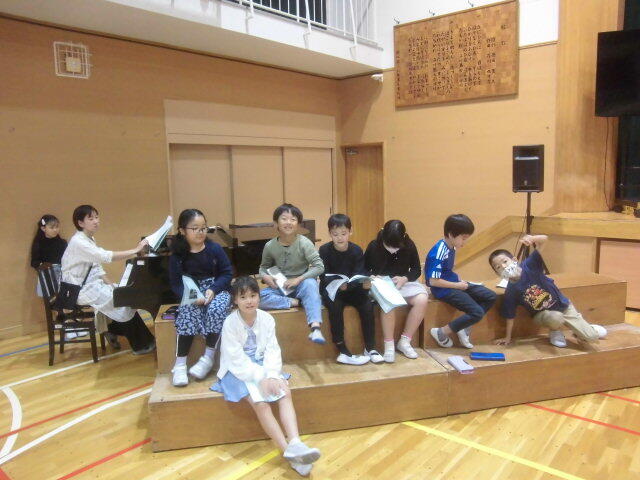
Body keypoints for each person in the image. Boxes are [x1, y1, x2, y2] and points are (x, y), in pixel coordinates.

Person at [212, 276, 321, 476]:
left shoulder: (267, 318)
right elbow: (235, 358)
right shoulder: (230, 323)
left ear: (259, 297)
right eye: (243, 297)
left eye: (253, 295)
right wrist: (260, 377)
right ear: (235, 300)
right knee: (260, 403)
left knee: (284, 392)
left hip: (264, 365)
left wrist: (271, 374)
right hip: (238, 370)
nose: (249, 301)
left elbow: (272, 350)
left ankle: (295, 443)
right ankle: (288, 453)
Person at [61, 205, 155, 354]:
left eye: (96, 217)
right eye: (90, 218)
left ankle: (111, 330)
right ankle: (141, 344)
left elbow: (96, 267)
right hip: (78, 290)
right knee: (121, 300)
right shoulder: (78, 242)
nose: (96, 221)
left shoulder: (89, 239)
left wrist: (111, 285)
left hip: (90, 285)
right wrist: (135, 250)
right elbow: (105, 257)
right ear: (80, 223)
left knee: (122, 294)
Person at [489, 234, 607, 347]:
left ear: (514, 260)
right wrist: (508, 337)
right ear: (497, 273)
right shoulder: (511, 290)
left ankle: (585, 330)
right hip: (543, 315)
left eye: (505, 261)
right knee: (556, 317)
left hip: (563, 306)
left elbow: (544, 239)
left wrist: (532, 238)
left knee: (592, 337)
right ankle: (555, 330)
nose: (503, 267)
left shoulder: (529, 265)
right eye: (498, 267)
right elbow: (510, 316)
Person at [168, 209, 232, 387]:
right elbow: (176, 284)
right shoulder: (177, 256)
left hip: (217, 289)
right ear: (182, 230)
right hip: (192, 292)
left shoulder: (214, 248)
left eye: (203, 228)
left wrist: (213, 289)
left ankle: (208, 358)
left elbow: (227, 273)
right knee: (187, 311)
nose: (200, 232)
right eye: (195, 228)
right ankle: (180, 365)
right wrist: (192, 296)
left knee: (217, 309)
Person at [319, 214, 382, 365]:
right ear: (329, 233)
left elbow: (359, 273)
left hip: (352, 289)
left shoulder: (356, 250)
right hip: (333, 290)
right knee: (335, 308)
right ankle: (342, 349)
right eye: (335, 234)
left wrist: (358, 284)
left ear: (350, 231)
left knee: (367, 306)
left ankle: (370, 347)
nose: (339, 238)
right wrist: (337, 284)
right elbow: (323, 274)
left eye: (343, 233)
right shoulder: (324, 250)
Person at [426, 214, 497, 349]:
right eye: (463, 238)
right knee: (477, 312)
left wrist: (458, 280)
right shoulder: (439, 252)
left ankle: (464, 327)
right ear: (451, 234)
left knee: (491, 296)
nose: (464, 242)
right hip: (443, 290)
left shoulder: (452, 247)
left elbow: (447, 270)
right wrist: (457, 285)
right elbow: (433, 281)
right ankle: (441, 332)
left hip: (454, 283)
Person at [259, 203, 326, 344]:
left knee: (311, 284)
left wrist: (299, 279)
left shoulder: (304, 243)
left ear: (298, 224)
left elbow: (319, 267)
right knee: (257, 298)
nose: (288, 222)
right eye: (284, 219)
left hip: (301, 284)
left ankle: (315, 328)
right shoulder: (270, 246)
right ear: (276, 223)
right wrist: (265, 276)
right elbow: (263, 267)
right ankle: (296, 302)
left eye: (293, 219)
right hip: (281, 287)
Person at [364, 220, 429, 362]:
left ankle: (405, 341)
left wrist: (404, 278)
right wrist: (372, 276)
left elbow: (416, 269)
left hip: (401, 283)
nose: (392, 250)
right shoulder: (374, 245)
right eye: (389, 246)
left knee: (422, 299)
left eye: (396, 247)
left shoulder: (409, 245)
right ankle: (389, 345)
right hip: (381, 284)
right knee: (389, 301)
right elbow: (363, 268)